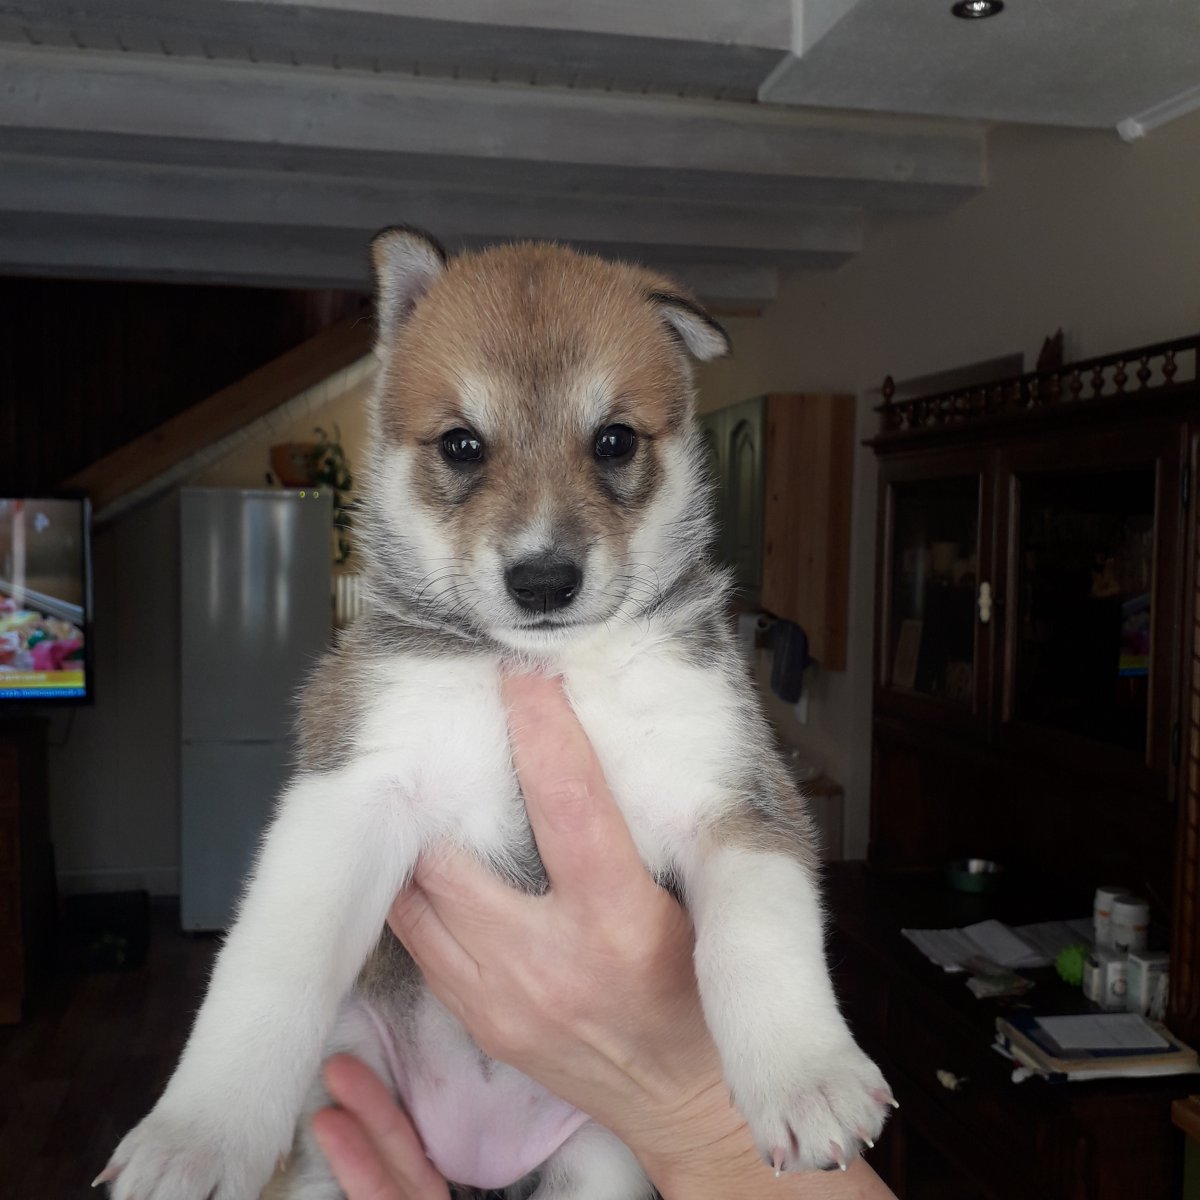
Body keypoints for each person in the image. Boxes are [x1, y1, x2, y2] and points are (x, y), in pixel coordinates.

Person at [310, 674, 897, 1200]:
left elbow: (747, 823)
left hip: (589, 1124)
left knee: (605, 1168)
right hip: (396, 1043)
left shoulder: (681, 676)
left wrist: (718, 1100)